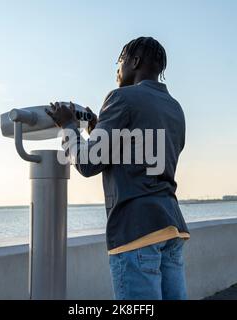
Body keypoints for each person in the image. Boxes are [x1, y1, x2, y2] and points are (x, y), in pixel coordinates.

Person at [46, 37, 189, 300]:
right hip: (172, 227)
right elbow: (146, 155)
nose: (117, 69)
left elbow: (88, 163)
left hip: (136, 231)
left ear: (134, 62)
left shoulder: (121, 98)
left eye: (120, 61)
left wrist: (67, 126)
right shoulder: (175, 108)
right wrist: (101, 129)